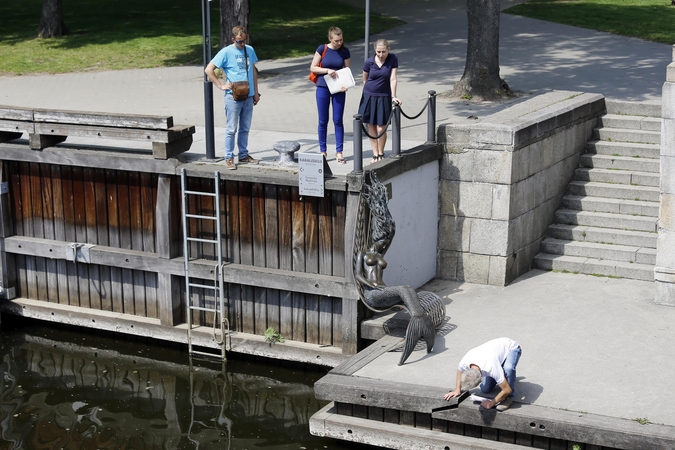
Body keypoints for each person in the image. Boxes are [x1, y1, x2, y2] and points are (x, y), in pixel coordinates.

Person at [205, 26, 260, 170]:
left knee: (245, 128)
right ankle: (229, 157)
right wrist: (220, 85)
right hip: (233, 97)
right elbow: (208, 70)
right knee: (231, 129)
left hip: (248, 95)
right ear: (233, 39)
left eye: (244, 41)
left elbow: (253, 71)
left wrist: (256, 92)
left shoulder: (249, 50)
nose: (242, 44)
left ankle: (243, 154)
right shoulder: (226, 52)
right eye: (239, 42)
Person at [443, 337, 522, 411]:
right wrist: (457, 390)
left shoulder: (491, 367)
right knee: (485, 389)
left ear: (481, 379)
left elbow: (507, 390)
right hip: (493, 355)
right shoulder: (465, 362)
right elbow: (459, 371)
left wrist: (491, 403)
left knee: (508, 368)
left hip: (511, 348)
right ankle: (502, 377)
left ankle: (509, 398)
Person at [309, 26, 351, 164]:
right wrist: (327, 70)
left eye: (341, 40)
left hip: (338, 89)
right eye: (336, 41)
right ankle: (323, 151)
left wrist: (346, 85)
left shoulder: (344, 51)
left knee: (338, 120)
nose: (339, 43)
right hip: (323, 87)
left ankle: (339, 152)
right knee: (323, 120)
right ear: (330, 39)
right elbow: (313, 67)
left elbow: (347, 71)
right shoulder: (322, 49)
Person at [358, 39, 401, 164]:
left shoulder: (393, 59)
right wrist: (368, 93)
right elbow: (365, 79)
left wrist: (394, 96)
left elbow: (393, 78)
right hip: (369, 95)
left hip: (384, 96)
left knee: (381, 127)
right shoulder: (369, 62)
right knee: (371, 125)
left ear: (388, 49)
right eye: (378, 52)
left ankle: (381, 152)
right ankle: (375, 154)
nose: (381, 55)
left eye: (383, 52)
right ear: (375, 51)